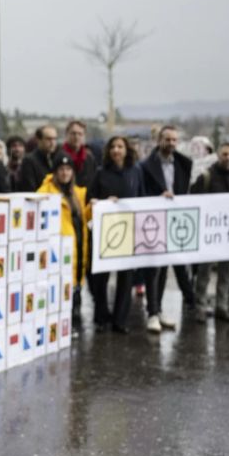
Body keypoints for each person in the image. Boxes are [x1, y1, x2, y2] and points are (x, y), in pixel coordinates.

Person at [139, 126, 196, 333]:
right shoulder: (146, 166)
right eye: (167, 139)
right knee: (152, 268)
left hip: (175, 220)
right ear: (159, 140)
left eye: (174, 140)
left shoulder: (184, 163)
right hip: (153, 220)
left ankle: (159, 309)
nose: (171, 143)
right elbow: (141, 192)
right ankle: (152, 312)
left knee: (164, 268)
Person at [87, 136, 144, 333]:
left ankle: (120, 319)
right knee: (101, 278)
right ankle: (101, 317)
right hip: (106, 233)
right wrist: (100, 202)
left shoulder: (136, 172)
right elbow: (90, 197)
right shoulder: (101, 173)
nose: (116, 150)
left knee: (126, 278)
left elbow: (143, 198)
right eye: (113, 147)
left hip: (128, 232)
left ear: (126, 150)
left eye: (120, 146)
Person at [191, 142, 229, 323]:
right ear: (218, 156)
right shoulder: (206, 176)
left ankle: (221, 306)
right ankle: (200, 306)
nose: (228, 158)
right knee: (204, 271)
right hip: (208, 232)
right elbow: (193, 201)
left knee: (226, 272)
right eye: (224, 154)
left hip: (227, 233)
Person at [37, 154, 89, 330]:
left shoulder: (78, 193)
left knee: (76, 288)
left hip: (78, 246)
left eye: (68, 169)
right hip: (60, 249)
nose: (65, 173)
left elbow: (84, 216)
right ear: (55, 172)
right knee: (62, 290)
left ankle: (74, 322)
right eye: (61, 170)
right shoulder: (47, 191)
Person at [17, 124, 59, 191]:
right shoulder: (29, 161)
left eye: (54, 139)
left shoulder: (58, 158)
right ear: (38, 140)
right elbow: (29, 188)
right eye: (49, 139)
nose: (52, 142)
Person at [61, 120, 98, 188]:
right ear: (66, 134)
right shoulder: (58, 155)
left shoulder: (89, 157)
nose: (76, 137)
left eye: (80, 134)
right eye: (73, 133)